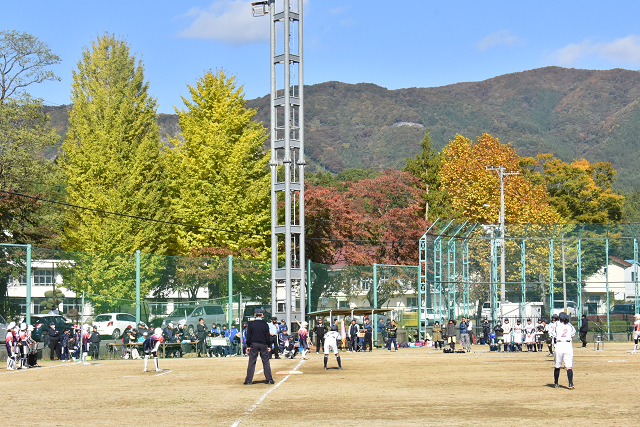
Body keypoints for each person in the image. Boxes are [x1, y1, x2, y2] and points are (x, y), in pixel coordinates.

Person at [243, 308, 274, 385]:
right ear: (262, 315)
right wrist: (269, 345)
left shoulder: (251, 324)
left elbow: (248, 336)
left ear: (254, 315)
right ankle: (269, 379)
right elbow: (267, 336)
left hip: (253, 344)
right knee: (266, 361)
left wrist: (248, 345)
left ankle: (248, 380)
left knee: (252, 362)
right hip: (263, 344)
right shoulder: (265, 324)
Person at [552, 312, 576, 389]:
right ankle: (570, 384)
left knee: (557, 365)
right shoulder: (570, 326)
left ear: (559, 319)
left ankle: (556, 383)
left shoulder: (557, 326)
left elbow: (553, 334)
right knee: (569, 366)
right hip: (568, 344)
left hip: (559, 344)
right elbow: (573, 333)